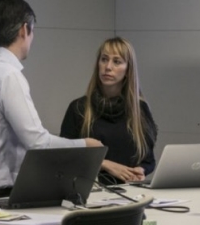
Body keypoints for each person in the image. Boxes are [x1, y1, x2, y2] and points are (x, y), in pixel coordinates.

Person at [0, 0, 102, 196]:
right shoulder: (8, 75)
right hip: (4, 195)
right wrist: (85, 145)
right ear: (24, 29)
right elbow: (38, 143)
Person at [60, 37, 157, 183]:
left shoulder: (140, 109)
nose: (108, 67)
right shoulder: (79, 108)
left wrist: (140, 170)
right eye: (104, 59)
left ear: (128, 69)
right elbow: (64, 155)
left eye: (117, 61)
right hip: (91, 194)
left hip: (130, 192)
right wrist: (104, 163)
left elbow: (148, 160)